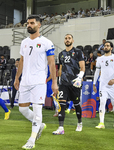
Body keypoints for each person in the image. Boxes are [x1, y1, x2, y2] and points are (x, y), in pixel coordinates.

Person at [14, 15, 58, 149]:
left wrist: (54, 82)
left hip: (39, 81)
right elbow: (22, 61)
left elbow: (51, 64)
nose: (29, 25)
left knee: (38, 109)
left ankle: (31, 140)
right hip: (25, 81)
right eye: (28, 23)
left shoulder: (46, 42)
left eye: (32, 23)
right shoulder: (24, 42)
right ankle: (40, 124)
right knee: (22, 109)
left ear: (39, 25)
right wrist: (17, 77)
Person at [52, 34, 85, 134]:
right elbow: (60, 70)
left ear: (73, 40)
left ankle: (79, 123)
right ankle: (61, 128)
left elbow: (82, 67)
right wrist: (57, 83)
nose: (67, 40)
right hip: (63, 83)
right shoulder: (61, 54)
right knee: (62, 104)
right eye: (66, 38)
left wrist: (80, 77)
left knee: (76, 104)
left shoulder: (78, 52)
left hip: (75, 83)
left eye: (69, 38)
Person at [93, 41, 114, 129]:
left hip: (113, 85)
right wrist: (94, 83)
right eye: (105, 46)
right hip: (103, 84)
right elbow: (97, 72)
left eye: (108, 46)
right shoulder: (99, 59)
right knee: (102, 102)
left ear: (111, 48)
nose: (106, 47)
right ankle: (101, 123)